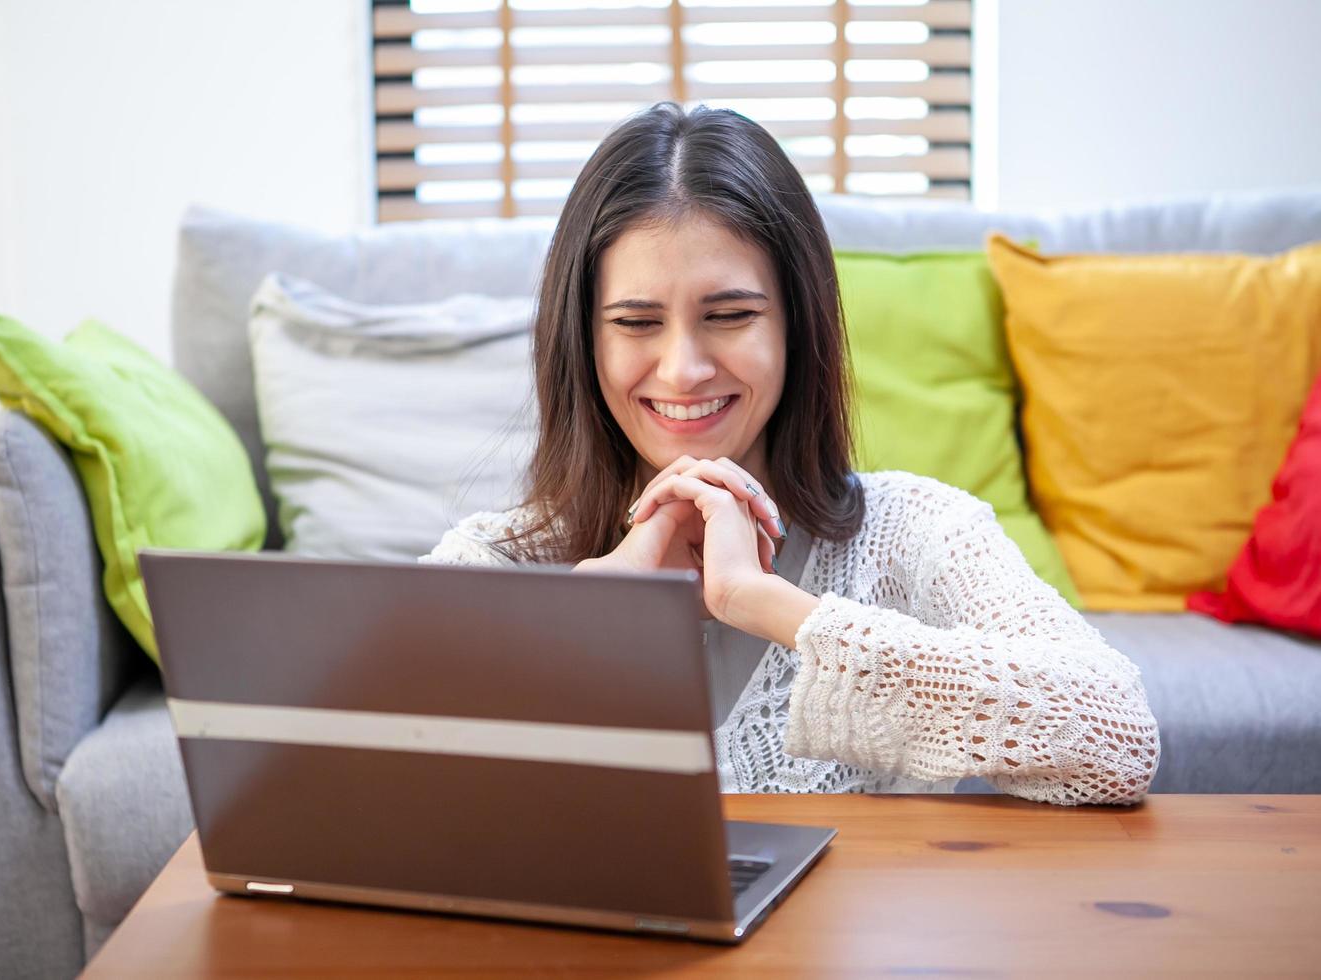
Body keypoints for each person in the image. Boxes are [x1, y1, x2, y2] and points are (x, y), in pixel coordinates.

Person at [420, 101, 1160, 806]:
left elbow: (1118, 738)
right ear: (584, 342)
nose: (682, 370)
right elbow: (345, 771)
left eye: (731, 315)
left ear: (796, 325)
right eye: (637, 321)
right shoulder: (501, 558)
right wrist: (581, 612)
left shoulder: (912, 531)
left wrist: (770, 605)